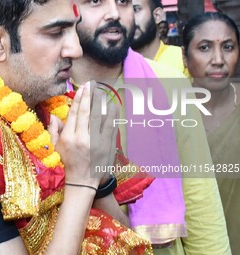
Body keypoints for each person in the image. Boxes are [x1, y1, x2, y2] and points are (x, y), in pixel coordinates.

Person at [0, 0, 154, 254]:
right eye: (55, 33)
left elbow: (123, 239)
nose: (75, 49)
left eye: (74, 29)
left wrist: (101, 180)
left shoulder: (52, 110)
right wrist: (81, 183)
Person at [71, 0, 230, 254]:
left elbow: (202, 207)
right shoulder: (49, 94)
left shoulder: (169, 83)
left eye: (123, 1)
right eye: (95, 1)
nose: (114, 13)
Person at [182, 12, 240, 254]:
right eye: (204, 48)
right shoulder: (166, 113)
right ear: (185, 58)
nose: (218, 59)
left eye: (228, 47)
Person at [131, 0, 187, 76]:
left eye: (135, 9)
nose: (129, 18)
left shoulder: (182, 58)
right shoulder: (114, 66)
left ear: (157, 15)